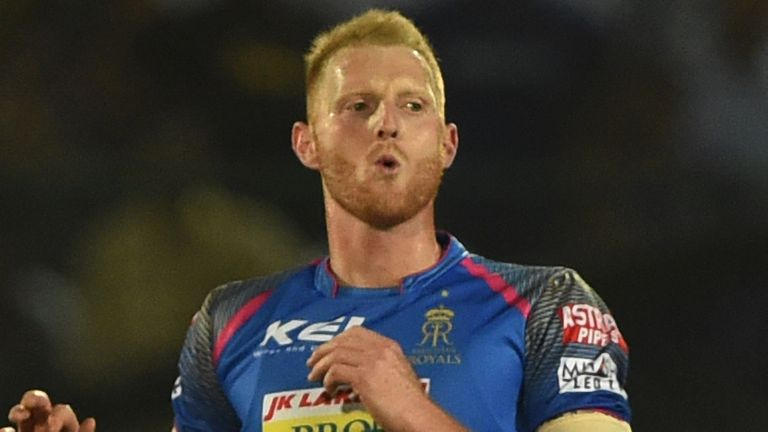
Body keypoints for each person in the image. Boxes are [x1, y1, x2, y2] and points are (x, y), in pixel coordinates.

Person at [3, 9, 632, 432]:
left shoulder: (547, 306)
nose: (386, 123)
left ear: (447, 144)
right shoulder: (229, 321)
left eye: (413, 106)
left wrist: (410, 409)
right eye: (358, 105)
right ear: (307, 144)